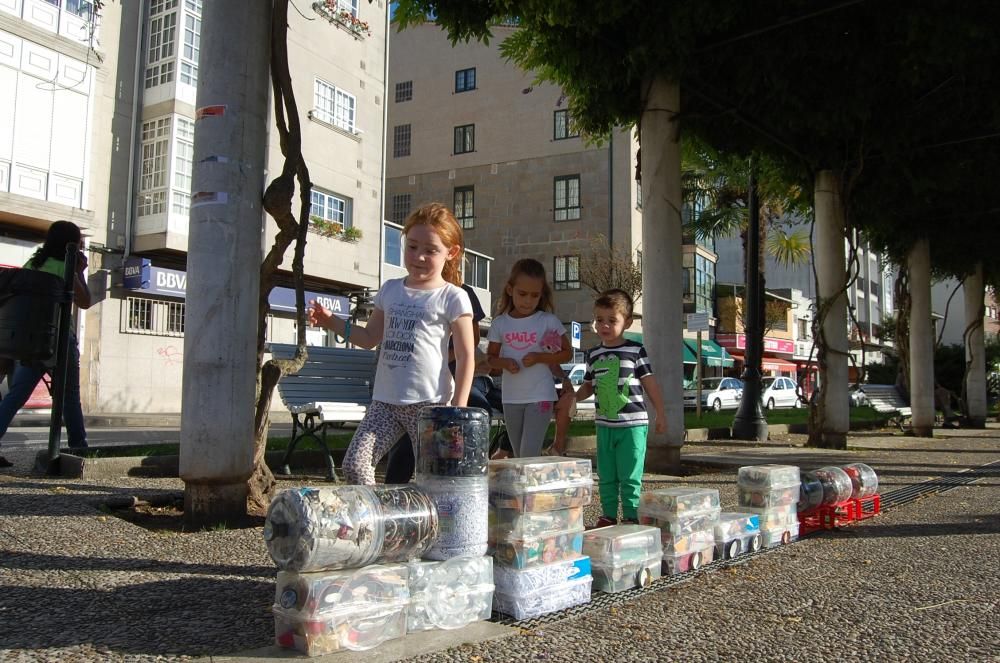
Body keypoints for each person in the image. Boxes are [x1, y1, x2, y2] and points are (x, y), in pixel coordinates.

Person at [308, 203, 474, 485]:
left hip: (430, 404)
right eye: (412, 246)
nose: (419, 256)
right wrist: (331, 321)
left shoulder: (452, 297)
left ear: (451, 253)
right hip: (385, 403)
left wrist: (456, 410)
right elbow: (369, 338)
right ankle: (379, 524)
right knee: (355, 466)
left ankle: (435, 527)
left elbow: (466, 357)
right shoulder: (390, 290)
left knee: (440, 478)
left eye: (431, 250)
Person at [0, 221, 93, 468]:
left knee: (16, 395)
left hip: (31, 340)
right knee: (70, 396)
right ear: (72, 244)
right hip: (60, 338)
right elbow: (85, 302)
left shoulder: (35, 262)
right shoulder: (67, 265)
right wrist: (79, 272)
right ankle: (79, 448)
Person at [570, 289, 665, 527]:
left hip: (632, 426)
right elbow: (589, 386)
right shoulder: (593, 354)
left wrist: (661, 413)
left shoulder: (635, 351)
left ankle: (632, 515)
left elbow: (649, 382)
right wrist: (573, 398)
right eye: (599, 319)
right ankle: (608, 515)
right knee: (606, 475)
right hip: (604, 425)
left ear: (628, 322)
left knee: (630, 475)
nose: (604, 325)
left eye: (612, 320)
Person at [383, 281, 488, 484]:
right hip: (410, 384)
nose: (422, 258)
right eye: (414, 247)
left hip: (446, 373)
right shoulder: (406, 290)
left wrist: (443, 357)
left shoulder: (460, 293)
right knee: (409, 434)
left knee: (476, 409)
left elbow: (470, 343)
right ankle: (397, 484)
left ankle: (460, 473)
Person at [486, 258, 572, 457]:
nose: (528, 301)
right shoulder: (500, 324)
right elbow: (490, 358)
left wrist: (540, 357)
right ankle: (528, 487)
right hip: (511, 398)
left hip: (541, 396)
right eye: (522, 294)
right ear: (510, 290)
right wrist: (505, 362)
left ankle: (528, 487)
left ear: (542, 295)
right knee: (518, 456)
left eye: (534, 295)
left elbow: (566, 354)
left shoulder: (548, 321)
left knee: (527, 455)